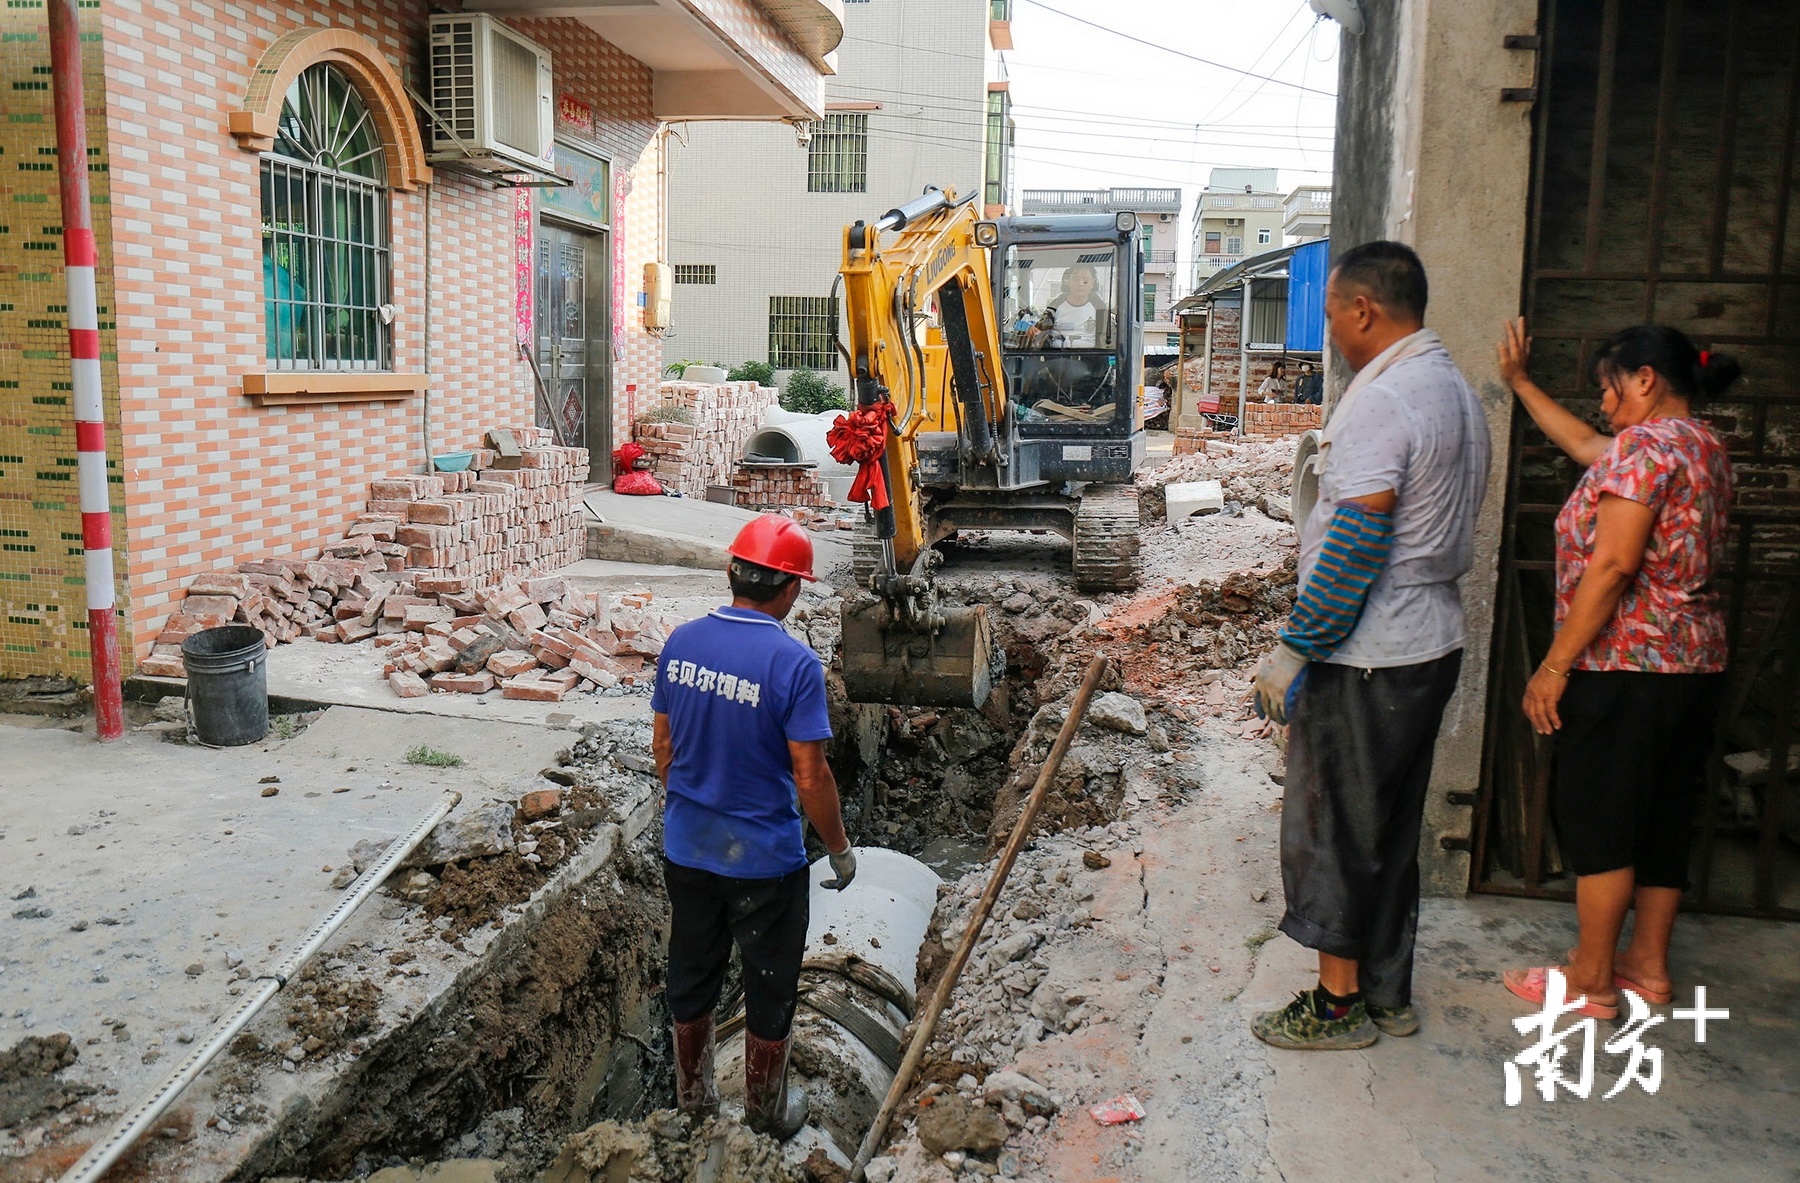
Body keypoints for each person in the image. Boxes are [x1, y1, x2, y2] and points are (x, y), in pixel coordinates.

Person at [1250, 241, 1490, 1049]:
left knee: (1333, 826)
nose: (1333, 333)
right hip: (1429, 643)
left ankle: (1337, 1005)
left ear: (1364, 310)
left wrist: (1297, 646)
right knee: (1388, 824)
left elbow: (1358, 532)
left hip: (1369, 650)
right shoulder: (1451, 387)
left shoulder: (1384, 399)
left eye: (1332, 315)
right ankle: (1388, 992)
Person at [1495, 321, 1735, 1019]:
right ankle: (1646, 966)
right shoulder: (1705, 446)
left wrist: (1554, 665)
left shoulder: (1645, 448)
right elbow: (1586, 446)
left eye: (1608, 385)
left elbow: (1613, 564)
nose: (1603, 401)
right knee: (1663, 816)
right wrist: (1519, 383)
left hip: (1626, 664)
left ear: (1645, 379)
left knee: (1599, 815)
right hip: (1695, 665)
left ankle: (1592, 978)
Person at [652, 514, 857, 1137]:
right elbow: (811, 776)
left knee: (691, 975)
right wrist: (840, 849)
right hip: (765, 862)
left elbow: (663, 747)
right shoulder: (794, 664)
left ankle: (694, 1105)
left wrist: (694, 804)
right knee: (770, 986)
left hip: (687, 849)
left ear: (731, 572)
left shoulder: (680, 642)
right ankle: (766, 1113)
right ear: (791, 589)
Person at [1046, 262, 1109, 348]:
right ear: (1068, 282)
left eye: (1085, 281)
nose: (1080, 284)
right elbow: (1041, 329)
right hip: (1057, 358)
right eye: (1075, 279)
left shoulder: (1099, 307)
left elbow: (1104, 339)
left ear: (1093, 284)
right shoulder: (1055, 305)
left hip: (1090, 358)